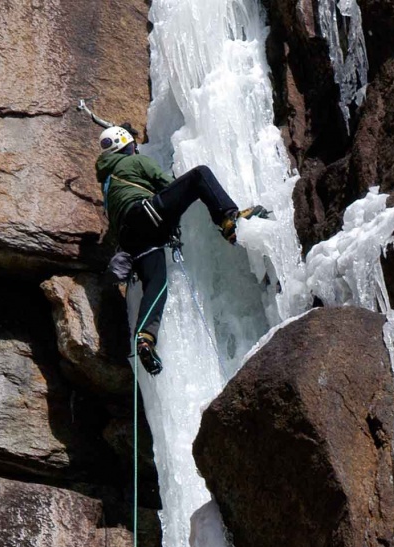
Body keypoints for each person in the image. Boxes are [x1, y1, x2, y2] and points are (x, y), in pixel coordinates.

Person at [95, 125, 268, 376]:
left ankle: (145, 338)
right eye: (133, 146)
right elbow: (167, 185)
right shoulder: (134, 163)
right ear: (128, 147)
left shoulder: (108, 185)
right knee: (199, 176)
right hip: (148, 216)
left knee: (156, 284)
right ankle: (228, 219)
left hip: (133, 240)